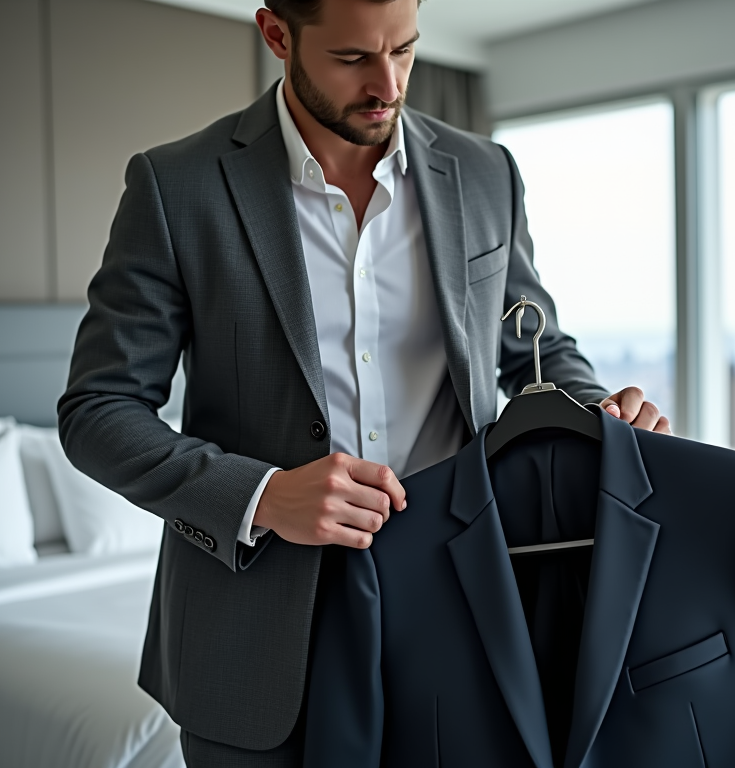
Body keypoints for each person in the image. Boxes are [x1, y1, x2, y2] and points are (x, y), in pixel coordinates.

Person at [58, 0, 670, 764]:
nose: (387, 83)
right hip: (253, 641)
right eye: (353, 58)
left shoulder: (485, 174)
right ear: (277, 34)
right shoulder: (176, 187)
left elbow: (531, 349)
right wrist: (263, 495)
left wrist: (596, 411)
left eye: (404, 50)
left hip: (467, 605)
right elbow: (98, 409)